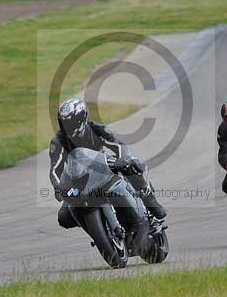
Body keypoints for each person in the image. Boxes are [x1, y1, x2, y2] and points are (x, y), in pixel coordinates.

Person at [49, 97, 167, 229]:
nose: (67, 127)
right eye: (64, 122)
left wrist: (123, 160)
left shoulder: (96, 129)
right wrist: (58, 187)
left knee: (132, 166)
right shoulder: (58, 141)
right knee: (64, 218)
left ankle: (150, 201)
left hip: (104, 168)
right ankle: (99, 228)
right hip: (80, 181)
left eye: (70, 123)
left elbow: (117, 144)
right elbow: (55, 170)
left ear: (81, 119)